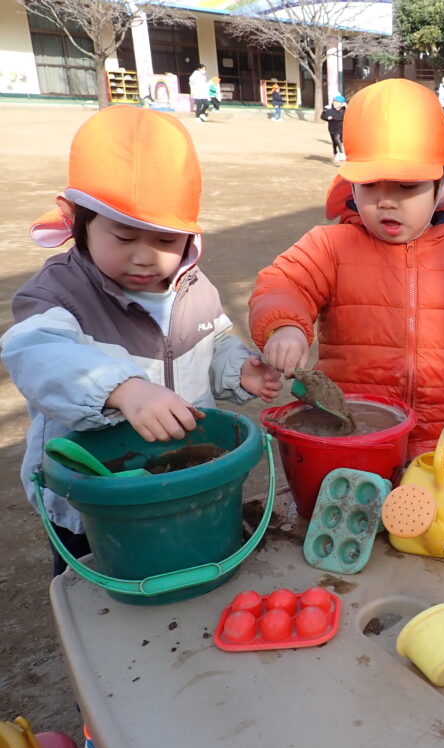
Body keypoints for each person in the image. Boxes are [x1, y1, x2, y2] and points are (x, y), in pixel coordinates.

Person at [0, 106, 282, 577]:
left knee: (182, 573)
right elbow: (37, 355)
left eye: (166, 241)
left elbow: (212, 341)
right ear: (76, 219)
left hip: (180, 481)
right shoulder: (59, 294)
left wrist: (237, 367)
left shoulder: (194, 288)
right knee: (105, 588)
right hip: (97, 496)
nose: (146, 257)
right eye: (125, 237)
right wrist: (123, 390)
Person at [249, 79, 444, 457]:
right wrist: (285, 326)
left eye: (406, 186)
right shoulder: (330, 247)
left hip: (439, 439)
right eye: (370, 185)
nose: (386, 201)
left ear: (441, 184)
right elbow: (284, 283)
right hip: (352, 431)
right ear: (351, 187)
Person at [320, 94, 347, 162]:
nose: (335, 103)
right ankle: (335, 153)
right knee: (334, 142)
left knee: (337, 138)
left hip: (340, 128)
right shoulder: (329, 111)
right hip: (332, 128)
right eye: (334, 102)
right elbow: (323, 116)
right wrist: (327, 118)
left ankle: (341, 153)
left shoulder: (345, 111)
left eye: (337, 102)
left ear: (342, 104)